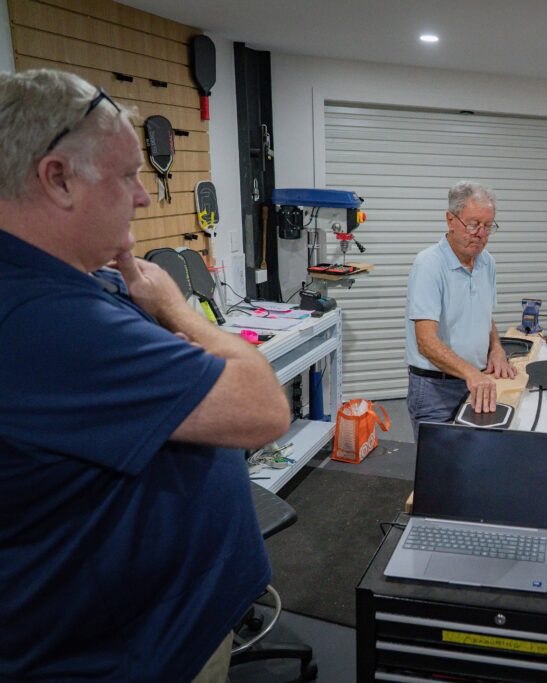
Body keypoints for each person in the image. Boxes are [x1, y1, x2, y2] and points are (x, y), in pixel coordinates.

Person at [0, 69, 291, 682]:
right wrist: (176, 309)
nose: (143, 196)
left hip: (166, 627)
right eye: (127, 175)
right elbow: (261, 408)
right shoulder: (43, 317)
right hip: (135, 655)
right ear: (58, 179)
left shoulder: (79, 284)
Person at [405, 181, 515, 436]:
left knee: (474, 455)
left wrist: (496, 349)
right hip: (435, 390)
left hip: (476, 382)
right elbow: (425, 342)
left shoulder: (487, 262)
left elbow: (485, 316)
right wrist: (471, 374)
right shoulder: (429, 265)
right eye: (473, 224)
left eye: (488, 226)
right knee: (439, 459)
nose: (480, 234)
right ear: (450, 220)